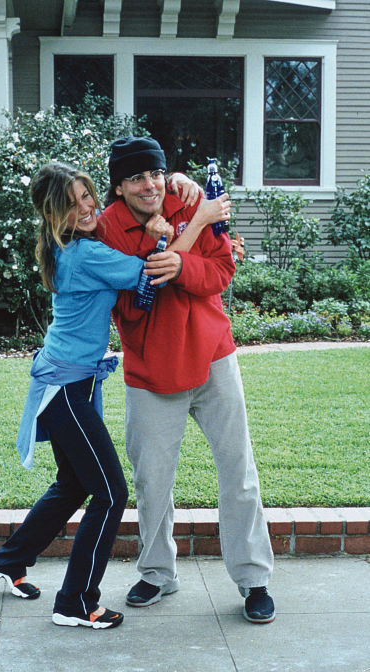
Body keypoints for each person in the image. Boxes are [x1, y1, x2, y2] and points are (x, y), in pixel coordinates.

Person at [0, 161, 224, 630]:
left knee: (75, 484)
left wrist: (163, 217)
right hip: (67, 389)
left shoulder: (69, 249)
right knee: (111, 493)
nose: (86, 207)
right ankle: (75, 602)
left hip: (67, 382)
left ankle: (10, 559)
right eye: (72, 203)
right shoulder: (84, 254)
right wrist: (189, 223)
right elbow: (154, 274)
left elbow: (142, 266)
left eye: (87, 195)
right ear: (54, 214)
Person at [99, 136, 276, 624]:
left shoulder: (189, 198)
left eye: (155, 173)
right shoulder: (107, 230)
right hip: (151, 370)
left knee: (238, 471)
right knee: (152, 479)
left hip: (214, 356)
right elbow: (134, 302)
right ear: (118, 186)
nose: (149, 185)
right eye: (135, 177)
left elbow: (221, 270)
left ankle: (253, 577)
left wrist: (184, 265)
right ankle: (158, 573)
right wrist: (171, 254)